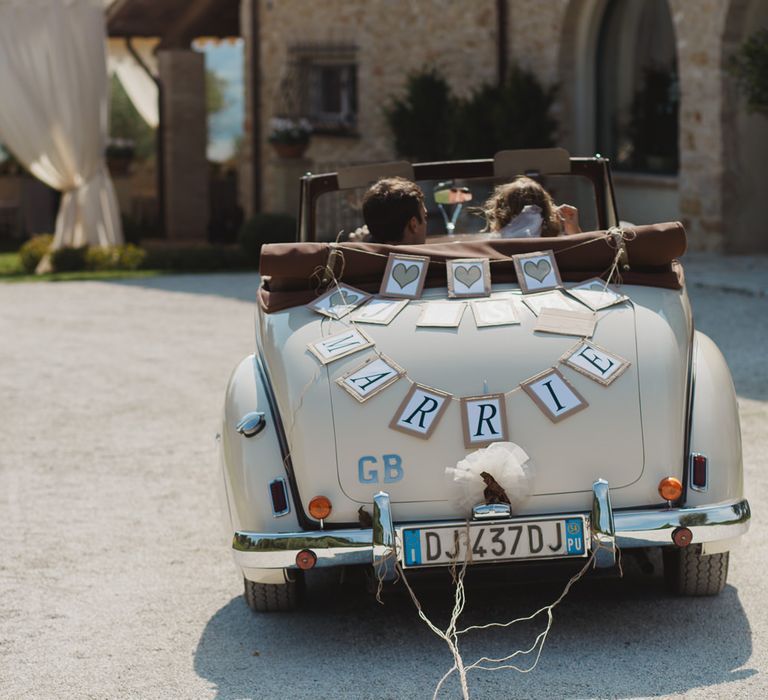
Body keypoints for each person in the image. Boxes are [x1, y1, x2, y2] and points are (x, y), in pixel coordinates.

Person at [480, 176, 581, 237]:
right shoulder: (560, 248)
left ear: (499, 214)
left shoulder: (491, 249)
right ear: (547, 213)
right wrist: (574, 230)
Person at [356, 176, 428, 245]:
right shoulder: (432, 256)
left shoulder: (362, 256)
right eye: (425, 217)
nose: (426, 223)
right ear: (413, 225)